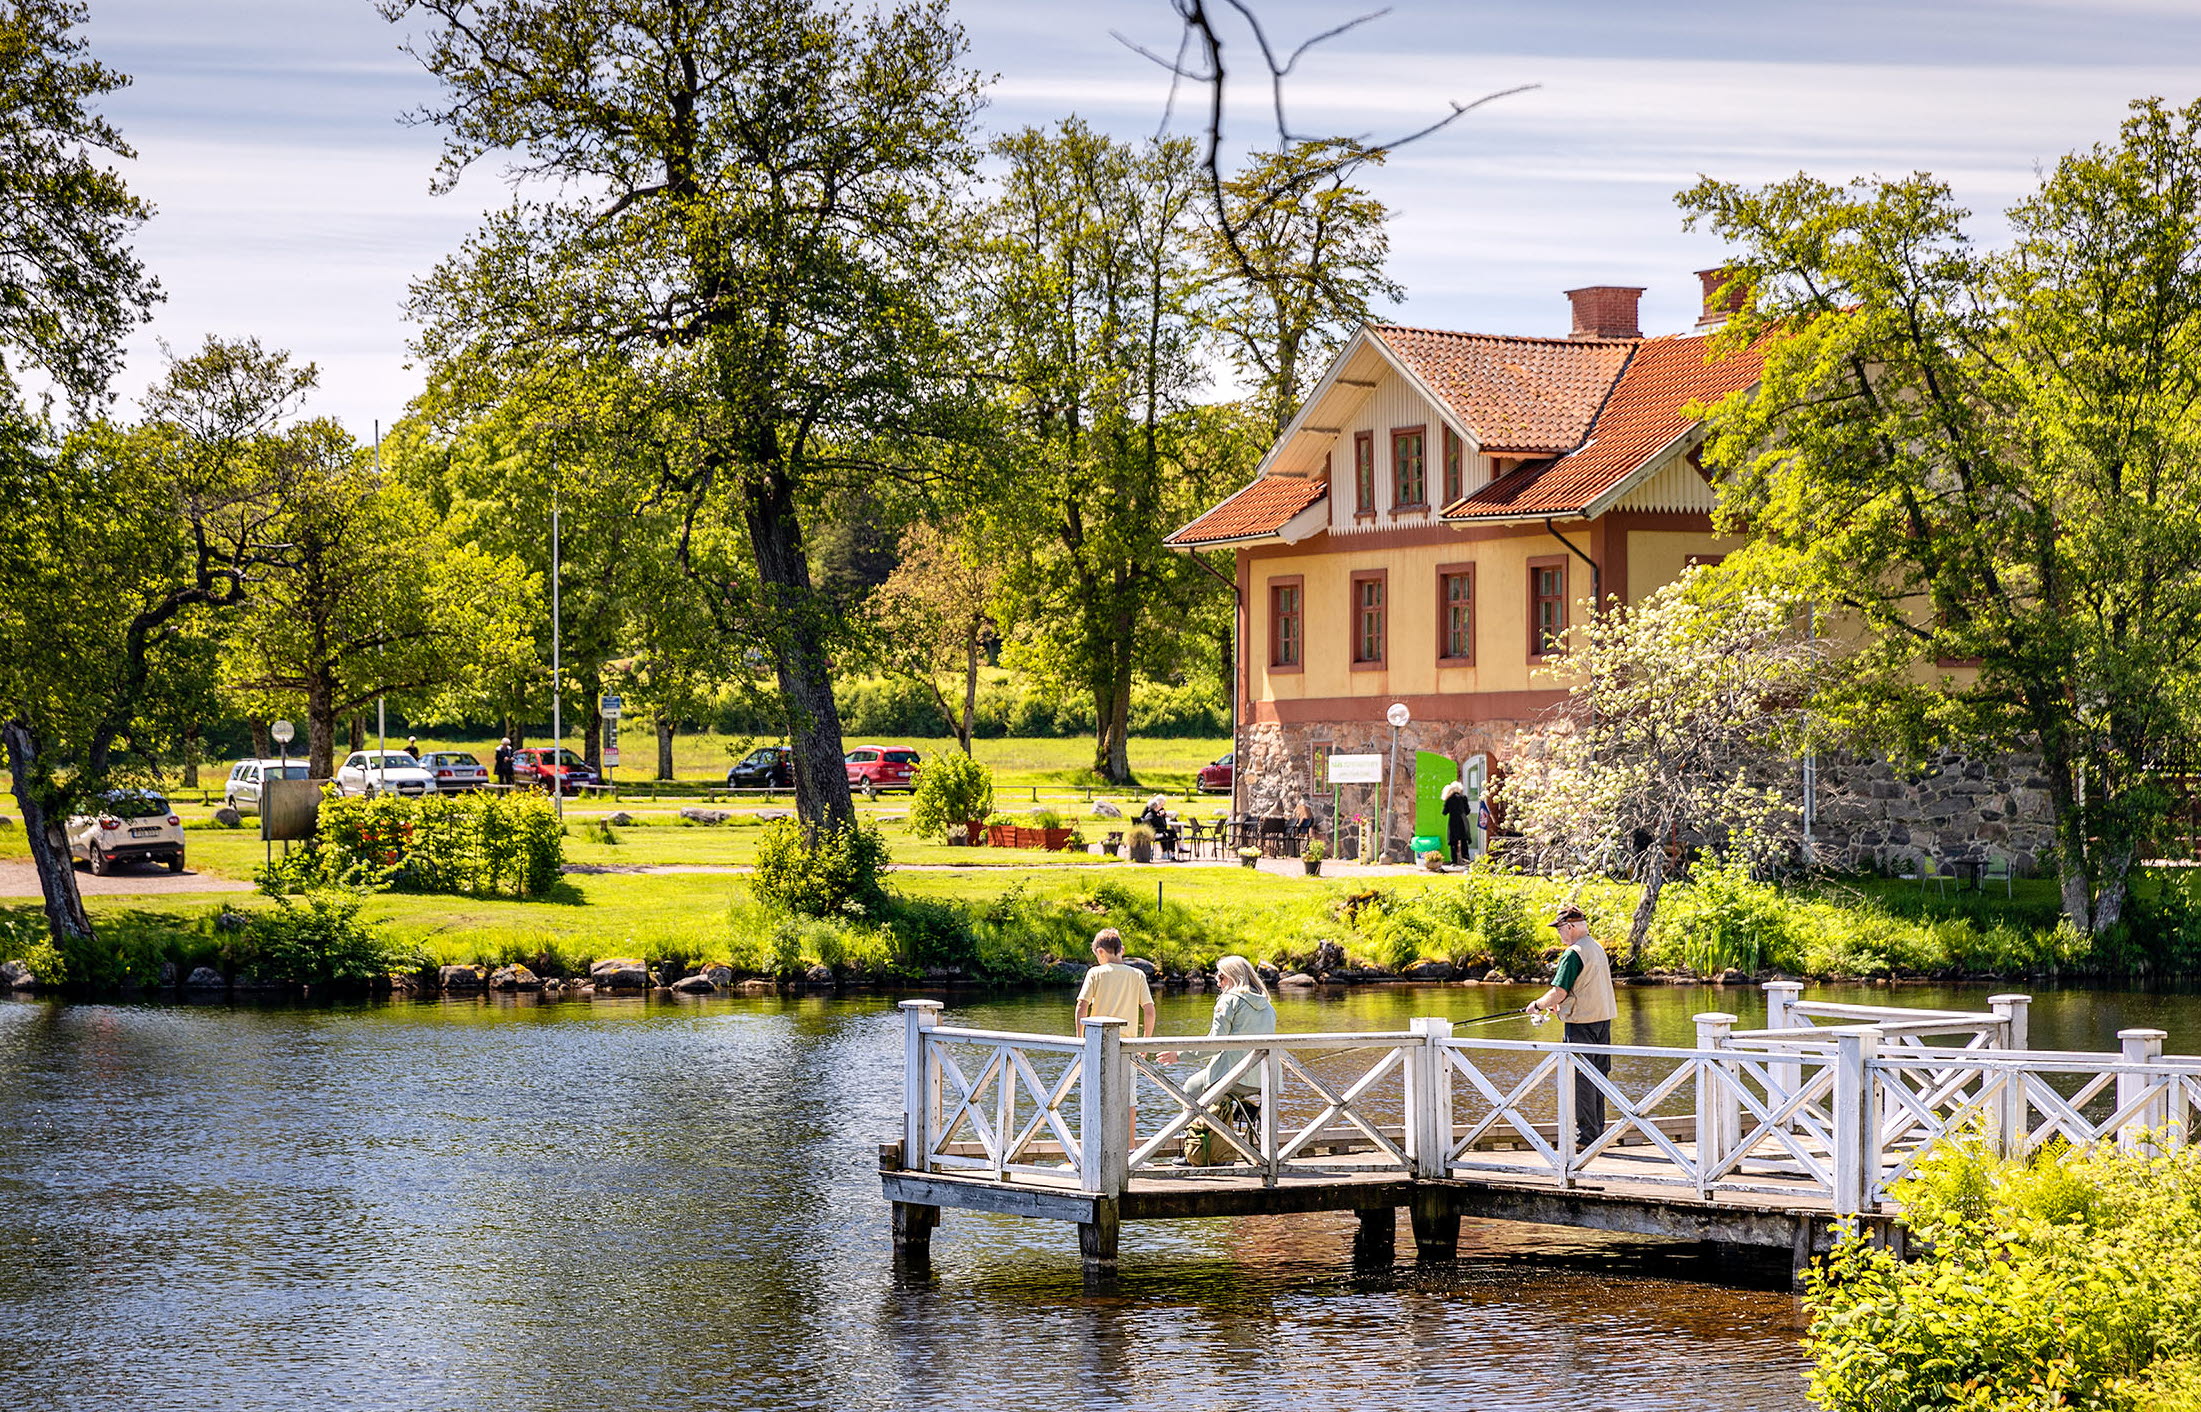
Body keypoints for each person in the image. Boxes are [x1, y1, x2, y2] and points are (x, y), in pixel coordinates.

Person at [1526, 904, 1618, 1152]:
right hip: (1602, 1022)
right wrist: (1560, 1005)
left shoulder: (1573, 953)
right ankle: (1596, 1132)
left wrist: (1537, 1004)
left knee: (1582, 1080)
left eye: (1560, 929)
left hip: (1581, 1026)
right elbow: (1585, 987)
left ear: (1570, 926)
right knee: (1598, 1077)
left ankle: (1586, 1138)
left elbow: (1559, 991)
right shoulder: (1596, 948)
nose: (1559, 934)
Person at [1441, 780, 1473, 866]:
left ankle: (1454, 861)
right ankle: (1466, 860)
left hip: (1453, 822)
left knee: (1453, 842)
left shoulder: (1449, 799)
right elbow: (1467, 811)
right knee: (1464, 842)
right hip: (1463, 821)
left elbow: (1444, 812)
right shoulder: (1463, 798)